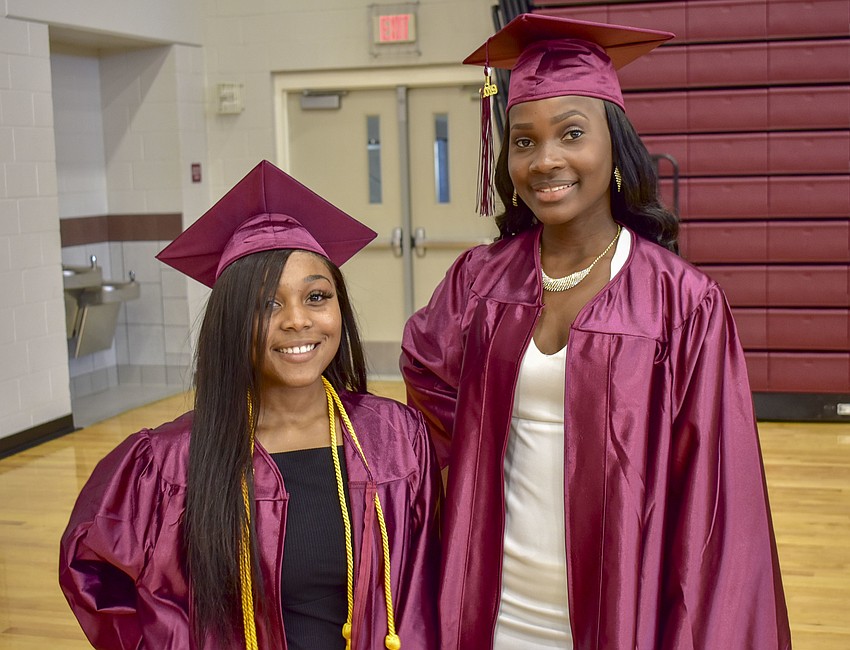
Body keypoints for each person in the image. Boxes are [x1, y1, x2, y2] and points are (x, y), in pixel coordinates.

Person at [400, 14, 791, 650]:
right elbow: (426, 382)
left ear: (614, 146)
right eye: (523, 142)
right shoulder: (479, 281)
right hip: (488, 606)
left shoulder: (680, 303)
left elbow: (717, 500)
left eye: (571, 134)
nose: (545, 160)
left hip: (622, 608)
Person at [60, 160, 441, 650]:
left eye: (317, 297)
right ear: (231, 322)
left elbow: (429, 584)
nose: (298, 321)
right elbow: (91, 569)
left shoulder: (394, 438)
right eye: (267, 304)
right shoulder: (169, 462)